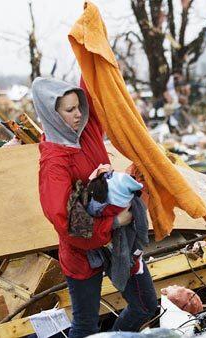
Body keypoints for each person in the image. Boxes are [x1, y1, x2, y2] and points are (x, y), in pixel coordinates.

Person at [32, 77, 157, 338]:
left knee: (146, 307)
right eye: (69, 110)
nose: (79, 114)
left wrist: (92, 41)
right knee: (86, 327)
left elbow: (92, 77)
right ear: (51, 115)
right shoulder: (54, 163)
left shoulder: (87, 130)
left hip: (120, 245)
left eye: (79, 106)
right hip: (82, 253)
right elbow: (64, 221)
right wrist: (113, 222)